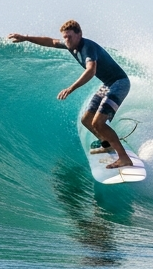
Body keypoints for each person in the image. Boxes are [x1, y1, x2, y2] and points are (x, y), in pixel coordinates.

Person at [7, 20, 134, 169]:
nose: (66, 40)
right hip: (108, 84)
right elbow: (51, 41)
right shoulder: (71, 45)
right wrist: (26, 37)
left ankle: (124, 158)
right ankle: (107, 145)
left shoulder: (87, 47)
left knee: (98, 123)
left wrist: (71, 88)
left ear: (79, 34)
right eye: (65, 37)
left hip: (119, 83)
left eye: (70, 37)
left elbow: (91, 70)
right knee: (86, 119)